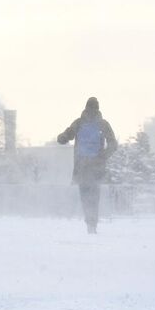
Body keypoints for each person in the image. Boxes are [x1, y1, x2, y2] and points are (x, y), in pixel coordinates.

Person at [56, 97, 119, 234]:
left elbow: (67, 135)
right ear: (98, 109)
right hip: (96, 167)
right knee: (94, 196)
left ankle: (90, 224)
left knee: (85, 197)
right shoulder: (103, 124)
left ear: (86, 108)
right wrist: (103, 156)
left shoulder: (79, 123)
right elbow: (113, 144)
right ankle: (92, 225)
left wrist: (62, 138)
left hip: (81, 167)